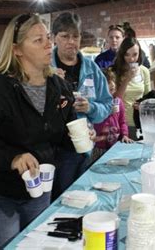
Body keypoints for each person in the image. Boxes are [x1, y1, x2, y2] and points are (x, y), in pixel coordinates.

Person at [0, 14, 77, 249]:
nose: (48, 44)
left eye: (48, 38)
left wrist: (80, 136)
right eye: (38, 40)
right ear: (17, 50)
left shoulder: (59, 87)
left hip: (39, 189)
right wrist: (11, 158)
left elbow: (63, 136)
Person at [51, 12, 112, 196]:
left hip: (82, 148)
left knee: (79, 197)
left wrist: (90, 108)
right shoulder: (45, 68)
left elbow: (107, 105)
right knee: (53, 203)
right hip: (51, 149)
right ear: (54, 39)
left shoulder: (91, 69)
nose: (71, 42)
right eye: (65, 36)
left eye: (75, 36)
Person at [111, 36, 151, 139]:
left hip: (140, 122)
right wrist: (127, 79)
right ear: (122, 54)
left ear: (140, 54)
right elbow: (115, 99)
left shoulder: (144, 71)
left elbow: (149, 97)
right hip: (120, 123)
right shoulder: (114, 72)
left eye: (135, 54)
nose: (132, 59)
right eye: (127, 55)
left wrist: (143, 104)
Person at [91, 69, 133, 163]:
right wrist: (107, 112)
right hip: (98, 146)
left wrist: (125, 135)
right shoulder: (96, 104)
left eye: (112, 81)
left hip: (114, 145)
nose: (112, 84)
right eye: (107, 84)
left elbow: (122, 121)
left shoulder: (118, 101)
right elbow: (94, 123)